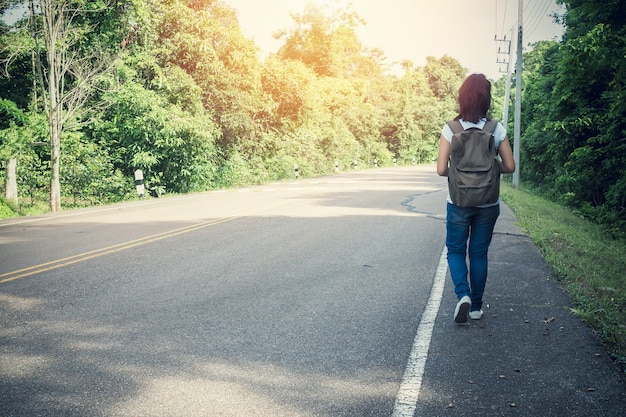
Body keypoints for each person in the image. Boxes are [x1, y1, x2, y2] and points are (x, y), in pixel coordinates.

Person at [436, 73, 516, 325]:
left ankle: (463, 294)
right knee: (479, 252)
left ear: (462, 97)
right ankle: (477, 308)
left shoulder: (451, 128)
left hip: (458, 201)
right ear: (486, 98)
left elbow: (440, 170)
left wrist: (460, 174)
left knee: (456, 251)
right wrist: (490, 170)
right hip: (488, 202)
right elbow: (510, 166)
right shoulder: (496, 128)